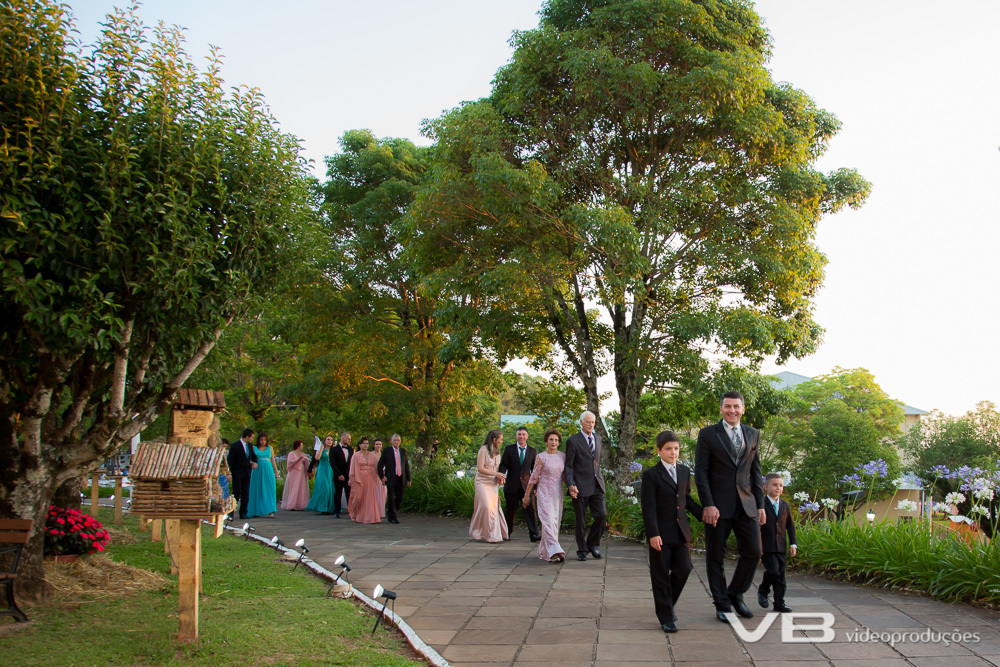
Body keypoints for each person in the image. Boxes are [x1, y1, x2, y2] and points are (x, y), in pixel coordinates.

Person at [694, 391, 765, 623]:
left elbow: (756, 472)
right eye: (727, 406)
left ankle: (735, 593)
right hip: (718, 506)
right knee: (716, 556)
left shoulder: (753, 434)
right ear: (721, 409)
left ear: (743, 409)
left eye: (736, 406)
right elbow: (701, 472)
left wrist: (761, 505)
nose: (732, 410)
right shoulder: (707, 435)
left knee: (754, 551)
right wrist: (709, 504)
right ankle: (722, 604)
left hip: (747, 504)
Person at [640, 431, 704, 633]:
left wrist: (704, 515)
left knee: (684, 569)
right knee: (660, 576)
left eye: (676, 448)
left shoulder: (684, 471)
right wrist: (653, 533)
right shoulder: (651, 475)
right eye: (668, 449)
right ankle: (666, 617)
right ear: (659, 450)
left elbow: (687, 500)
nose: (673, 452)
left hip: (681, 531)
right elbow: (648, 508)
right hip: (660, 533)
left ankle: (667, 604)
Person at [564, 410, 607, 561]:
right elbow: (568, 466)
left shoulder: (598, 438)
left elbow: (596, 462)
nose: (590, 424)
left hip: (597, 484)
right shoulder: (573, 441)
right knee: (580, 520)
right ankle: (582, 550)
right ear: (581, 422)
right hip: (580, 486)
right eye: (588, 421)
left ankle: (593, 545)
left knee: (602, 515)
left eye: (593, 422)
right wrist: (571, 485)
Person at [522, 428, 566, 562]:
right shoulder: (541, 457)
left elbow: (565, 476)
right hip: (544, 492)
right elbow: (534, 477)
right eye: (551, 439)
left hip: (557, 493)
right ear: (546, 441)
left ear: (559, 442)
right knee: (547, 522)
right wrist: (527, 495)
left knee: (554, 522)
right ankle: (555, 551)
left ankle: (545, 551)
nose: (553, 442)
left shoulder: (562, 456)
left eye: (556, 440)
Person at [757, 473, 797, 613]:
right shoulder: (760, 504)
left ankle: (779, 603)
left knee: (780, 576)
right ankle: (763, 590)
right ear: (766, 487)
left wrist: (793, 544)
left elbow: (790, 526)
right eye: (774, 485)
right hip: (766, 546)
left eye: (780, 485)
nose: (778, 488)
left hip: (781, 546)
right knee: (773, 570)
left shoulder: (785, 505)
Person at [499, 426, 540, 542]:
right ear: (516, 436)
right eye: (519, 434)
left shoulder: (532, 451)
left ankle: (534, 535)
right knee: (510, 510)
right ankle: (507, 533)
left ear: (527, 436)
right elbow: (504, 465)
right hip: (512, 485)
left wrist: (535, 487)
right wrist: (501, 475)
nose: (521, 436)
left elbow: (535, 470)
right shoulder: (509, 449)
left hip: (527, 487)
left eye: (523, 434)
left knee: (531, 509)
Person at [469, 430, 509, 543]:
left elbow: (497, 468)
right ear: (494, 440)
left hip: (492, 483)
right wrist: (495, 474)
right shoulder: (483, 450)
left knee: (493, 507)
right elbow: (480, 468)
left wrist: (499, 477)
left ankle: (493, 534)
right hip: (482, 482)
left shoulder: (497, 451)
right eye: (500, 439)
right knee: (485, 506)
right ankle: (481, 531)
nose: (501, 441)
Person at [377, 434, 410, 524]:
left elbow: (406, 465)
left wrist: (409, 478)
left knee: (400, 497)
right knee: (391, 497)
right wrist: (382, 476)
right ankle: (393, 516)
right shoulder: (387, 451)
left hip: (401, 477)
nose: (396, 442)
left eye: (398, 440)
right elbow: (380, 464)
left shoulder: (403, 451)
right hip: (391, 477)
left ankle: (391, 512)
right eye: (395, 440)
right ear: (391, 441)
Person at [347, 437, 381, 524]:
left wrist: (382, 475)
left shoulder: (371, 455)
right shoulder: (356, 455)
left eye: (367, 443)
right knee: (358, 497)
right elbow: (352, 468)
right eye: (364, 443)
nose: (366, 445)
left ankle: (368, 516)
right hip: (359, 477)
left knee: (368, 497)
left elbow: (376, 467)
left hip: (370, 477)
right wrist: (351, 478)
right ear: (360, 445)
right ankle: (354, 512)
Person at [227, 428, 257, 519]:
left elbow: (253, 457)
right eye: (251, 437)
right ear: (247, 436)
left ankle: (243, 512)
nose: (252, 439)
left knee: (245, 493)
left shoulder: (250, 446)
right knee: (237, 491)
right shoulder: (235, 446)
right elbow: (230, 459)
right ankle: (231, 512)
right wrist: (229, 472)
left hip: (247, 472)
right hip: (237, 472)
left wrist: (254, 463)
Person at [247, 432, 278, 518]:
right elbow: (249, 458)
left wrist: (276, 471)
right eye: (261, 440)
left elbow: (272, 460)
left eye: (264, 440)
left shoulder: (270, 448)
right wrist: (252, 463)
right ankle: (256, 510)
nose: (263, 441)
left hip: (268, 469)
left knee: (269, 489)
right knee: (257, 489)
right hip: (257, 469)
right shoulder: (254, 448)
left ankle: (270, 510)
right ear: (258, 440)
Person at [306, 435, 336, 514]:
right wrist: (321, 448)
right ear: (325, 441)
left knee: (331, 488)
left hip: (330, 470)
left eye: (331, 440)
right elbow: (317, 458)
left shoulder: (333, 450)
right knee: (325, 487)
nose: (330, 441)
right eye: (328, 439)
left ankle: (330, 508)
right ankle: (322, 507)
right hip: (322, 469)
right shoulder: (320, 449)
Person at [281, 440, 311, 510]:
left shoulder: (303, 454)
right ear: (298, 446)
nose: (302, 447)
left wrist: (308, 470)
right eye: (301, 445)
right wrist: (298, 459)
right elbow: (290, 463)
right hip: (294, 472)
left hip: (301, 472)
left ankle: (301, 504)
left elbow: (306, 462)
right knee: (294, 487)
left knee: (301, 487)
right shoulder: (292, 453)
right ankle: (292, 505)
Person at [331, 431, 353, 518]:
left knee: (349, 493)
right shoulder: (334, 449)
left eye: (350, 439)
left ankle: (351, 511)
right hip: (338, 475)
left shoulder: (351, 449)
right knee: (338, 494)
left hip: (348, 475)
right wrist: (338, 474)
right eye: (348, 438)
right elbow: (333, 463)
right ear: (342, 438)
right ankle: (336, 511)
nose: (349, 440)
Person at [373, 439, 387, 518]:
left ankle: (381, 512)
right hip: (372, 475)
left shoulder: (383, 455)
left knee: (383, 493)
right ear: (374, 445)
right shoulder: (370, 454)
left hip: (382, 476)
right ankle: (373, 511)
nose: (378, 446)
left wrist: (384, 475)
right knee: (374, 494)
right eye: (377, 444)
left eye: (380, 444)